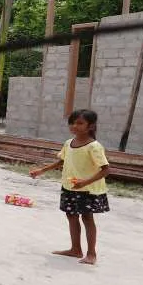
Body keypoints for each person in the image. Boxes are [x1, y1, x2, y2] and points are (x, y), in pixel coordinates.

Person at [29, 109, 110, 265]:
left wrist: (85, 182)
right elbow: (62, 161)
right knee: (71, 216)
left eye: (80, 123)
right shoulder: (68, 143)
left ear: (91, 126)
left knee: (87, 218)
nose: (74, 126)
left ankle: (91, 254)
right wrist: (42, 170)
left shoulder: (94, 146)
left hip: (88, 189)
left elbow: (106, 169)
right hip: (70, 187)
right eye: (72, 123)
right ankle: (75, 249)